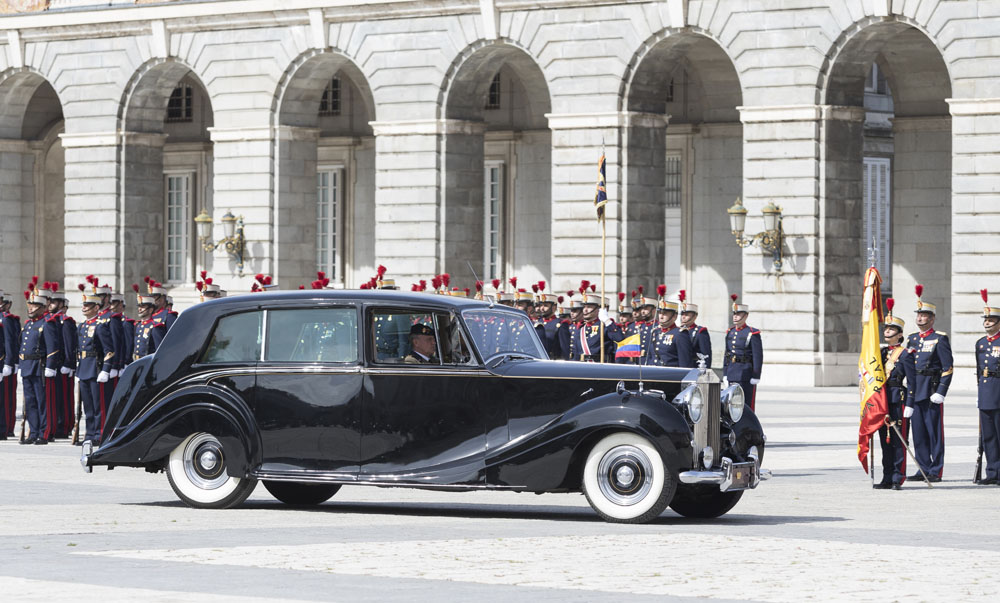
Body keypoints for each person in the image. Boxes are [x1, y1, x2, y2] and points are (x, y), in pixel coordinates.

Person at [902, 285, 952, 483]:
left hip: (931, 390)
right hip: (915, 390)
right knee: (919, 433)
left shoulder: (939, 339)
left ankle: (936, 469)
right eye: (919, 315)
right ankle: (923, 467)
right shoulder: (912, 339)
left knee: (934, 433)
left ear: (931, 318)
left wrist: (941, 391)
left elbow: (948, 367)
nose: (920, 318)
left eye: (924, 316)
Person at [19, 286, 59, 445]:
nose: (31, 308)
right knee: (30, 402)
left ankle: (44, 432)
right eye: (30, 305)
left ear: (43, 308)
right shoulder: (28, 324)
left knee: (43, 402)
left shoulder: (47, 323)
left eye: (35, 306)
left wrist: (50, 366)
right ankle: (33, 432)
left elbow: (52, 347)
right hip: (27, 366)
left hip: (39, 367)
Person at [876, 299, 908, 490]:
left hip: (898, 400)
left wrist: (910, 404)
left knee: (898, 441)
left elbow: (911, 381)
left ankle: (898, 477)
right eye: (886, 328)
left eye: (891, 329)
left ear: (899, 334)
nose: (887, 331)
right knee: (884, 441)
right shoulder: (879, 353)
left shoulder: (905, 354)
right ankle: (886, 476)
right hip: (882, 400)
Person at [76, 287, 108, 444]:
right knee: (87, 406)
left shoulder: (101, 325)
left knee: (98, 406)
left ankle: (99, 434)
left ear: (96, 307)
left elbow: (109, 350)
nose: (84, 308)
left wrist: (106, 369)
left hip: (95, 368)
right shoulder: (82, 326)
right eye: (83, 305)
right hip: (83, 368)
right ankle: (89, 434)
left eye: (87, 305)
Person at [975, 289, 1000, 484]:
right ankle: (992, 472)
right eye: (986, 320)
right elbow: (979, 368)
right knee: (989, 436)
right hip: (986, 392)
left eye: (991, 320)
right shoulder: (981, 343)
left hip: (998, 391)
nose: (987, 322)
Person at [723, 294, 763, 411]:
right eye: (734, 314)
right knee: (732, 403)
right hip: (732, 372)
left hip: (746, 373)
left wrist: (756, 375)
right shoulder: (730, 332)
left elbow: (757, 356)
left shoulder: (752, 333)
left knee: (746, 405)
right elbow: (727, 354)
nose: (735, 317)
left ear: (746, 316)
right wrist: (725, 373)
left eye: (739, 314)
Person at [649, 287, 694, 368]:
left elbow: (685, 363)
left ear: (674, 316)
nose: (661, 316)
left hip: (670, 376)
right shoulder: (655, 332)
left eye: (665, 313)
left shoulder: (680, 334)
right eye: (660, 313)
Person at [2, 292, 21, 437]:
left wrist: (9, 363)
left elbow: (10, 342)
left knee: (6, 398)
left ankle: (6, 427)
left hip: (3, 362)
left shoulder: (7, 319)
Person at [132, 287, 167, 362]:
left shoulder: (156, 326)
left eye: (143, 307)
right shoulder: (137, 325)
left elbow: (159, 350)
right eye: (139, 307)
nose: (139, 309)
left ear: (151, 310)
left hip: (148, 362)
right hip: (136, 361)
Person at [678, 290, 711, 369]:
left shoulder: (700, 332)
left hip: (694, 368)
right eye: (682, 314)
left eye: (687, 315)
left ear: (695, 316)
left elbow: (705, 355)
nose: (683, 317)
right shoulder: (678, 331)